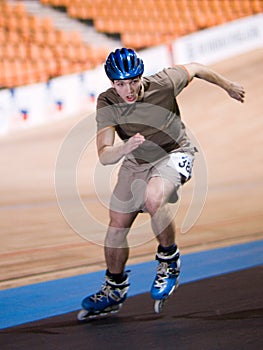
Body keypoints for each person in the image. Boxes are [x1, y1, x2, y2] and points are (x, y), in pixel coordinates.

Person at [78, 48, 245, 318]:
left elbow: (197, 68)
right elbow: (104, 155)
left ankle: (169, 260)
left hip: (174, 152)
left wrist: (228, 86)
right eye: (120, 84)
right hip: (134, 160)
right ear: (112, 84)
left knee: (154, 198)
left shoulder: (164, 82)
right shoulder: (107, 102)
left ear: (140, 76)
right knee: (116, 226)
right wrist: (124, 148)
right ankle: (114, 287)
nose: (128, 89)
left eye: (133, 81)